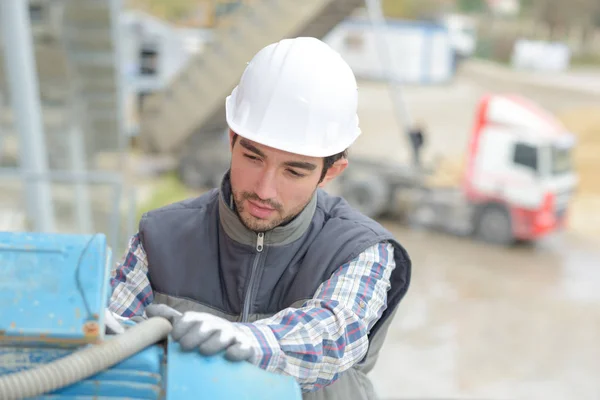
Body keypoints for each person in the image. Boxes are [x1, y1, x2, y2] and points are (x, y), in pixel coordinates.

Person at [108, 37, 412, 399]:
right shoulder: (161, 237)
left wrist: (248, 341)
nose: (265, 190)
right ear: (233, 139)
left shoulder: (359, 250)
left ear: (331, 171)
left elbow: (333, 337)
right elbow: (108, 341)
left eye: (293, 172)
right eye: (253, 158)